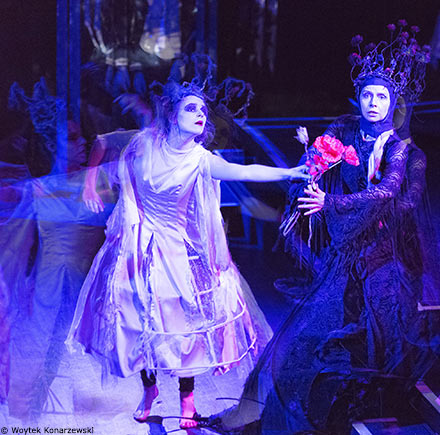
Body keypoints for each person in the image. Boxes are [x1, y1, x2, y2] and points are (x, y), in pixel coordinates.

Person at [219, 25, 440, 434]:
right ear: (358, 96)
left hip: (384, 254)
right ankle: (291, 414)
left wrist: (331, 203)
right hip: (346, 249)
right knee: (307, 331)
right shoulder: (346, 128)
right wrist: (310, 169)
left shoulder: (403, 151)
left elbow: (389, 192)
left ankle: (363, 405)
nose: (373, 103)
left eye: (381, 97)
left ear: (393, 103)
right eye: (367, 95)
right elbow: (319, 158)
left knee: (378, 330)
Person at [66, 80, 308, 429]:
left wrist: (289, 172)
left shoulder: (200, 159)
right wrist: (91, 184)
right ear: (172, 115)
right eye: (191, 108)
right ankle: (149, 390)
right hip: (137, 248)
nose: (200, 114)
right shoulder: (145, 142)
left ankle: (187, 399)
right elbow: (103, 143)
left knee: (182, 328)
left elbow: (245, 172)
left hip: (176, 252)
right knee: (141, 323)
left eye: (203, 110)